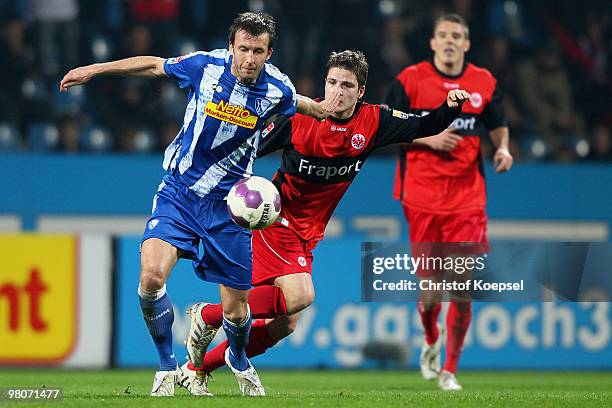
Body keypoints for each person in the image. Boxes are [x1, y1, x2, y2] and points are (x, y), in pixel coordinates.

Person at [59, 12, 336, 397]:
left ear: (269, 53)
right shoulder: (204, 67)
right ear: (231, 47)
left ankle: (238, 358)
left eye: (258, 51)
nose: (249, 58)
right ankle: (166, 367)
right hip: (180, 193)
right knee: (151, 277)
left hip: (231, 208)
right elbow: (155, 66)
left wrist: (324, 111)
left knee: (236, 311)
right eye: (243, 49)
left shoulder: (279, 89)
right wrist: (96, 69)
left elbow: (298, 102)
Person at [177, 50, 472, 396]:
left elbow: (425, 125)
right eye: (331, 82)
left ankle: (195, 368)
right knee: (301, 295)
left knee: (285, 324)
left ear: (360, 92)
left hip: (308, 234)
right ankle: (210, 315)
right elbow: (247, 146)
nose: (336, 91)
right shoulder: (299, 118)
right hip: (276, 220)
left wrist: (452, 107)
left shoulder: (374, 122)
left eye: (346, 85)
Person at [384, 14, 513, 391]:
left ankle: (450, 370)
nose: (451, 41)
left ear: (467, 44)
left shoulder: (483, 82)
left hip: (467, 198)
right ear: (433, 42)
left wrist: (503, 148)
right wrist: (429, 138)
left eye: (458, 35)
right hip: (421, 197)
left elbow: (497, 120)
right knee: (430, 295)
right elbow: (386, 129)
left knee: (461, 282)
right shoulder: (410, 80)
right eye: (444, 35)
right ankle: (430, 339)